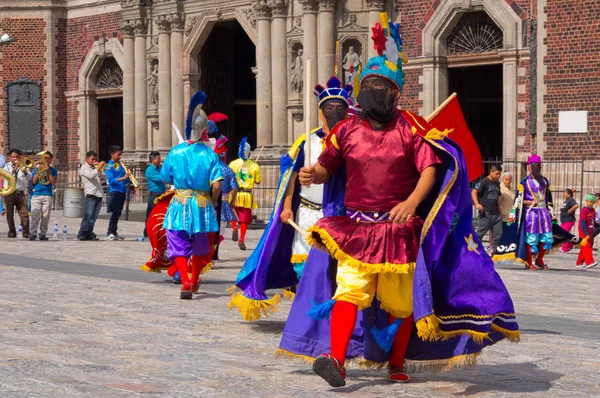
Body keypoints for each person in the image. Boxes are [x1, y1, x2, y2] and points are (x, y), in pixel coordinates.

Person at [282, 13, 519, 387]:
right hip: (356, 227)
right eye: (369, 83)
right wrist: (315, 175)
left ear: (394, 92)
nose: (373, 89)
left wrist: (411, 202)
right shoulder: (345, 129)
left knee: (400, 303)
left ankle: (396, 361)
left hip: (398, 229)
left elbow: (429, 170)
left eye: (380, 85)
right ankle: (337, 361)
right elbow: (329, 166)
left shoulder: (412, 129)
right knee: (350, 290)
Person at [228, 76, 352, 321]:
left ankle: (331, 317)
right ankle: (306, 318)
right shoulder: (306, 142)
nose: (334, 113)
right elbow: (290, 178)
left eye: (340, 109)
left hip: (340, 216)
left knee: (335, 271)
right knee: (304, 268)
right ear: (320, 114)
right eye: (329, 109)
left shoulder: (354, 141)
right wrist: (286, 207)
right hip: (307, 213)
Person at [160, 90, 223, 299]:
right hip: (203, 204)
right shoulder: (210, 154)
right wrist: (213, 201)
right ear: (205, 130)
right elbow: (217, 184)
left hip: (180, 202)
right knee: (199, 243)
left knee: (177, 239)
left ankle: (185, 281)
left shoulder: (176, 151)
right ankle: (194, 279)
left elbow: (165, 176)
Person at [507, 154, 554, 270]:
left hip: (544, 213)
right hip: (531, 213)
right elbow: (518, 201)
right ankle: (529, 261)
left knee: (547, 237)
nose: (535, 168)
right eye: (533, 166)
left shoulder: (545, 181)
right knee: (532, 238)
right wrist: (531, 202)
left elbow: (549, 198)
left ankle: (539, 260)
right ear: (529, 168)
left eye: (537, 166)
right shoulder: (523, 183)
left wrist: (551, 212)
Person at [229, 138, 261, 250]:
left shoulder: (233, 164)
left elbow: (228, 178)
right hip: (246, 195)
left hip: (235, 193)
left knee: (232, 213)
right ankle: (241, 238)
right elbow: (258, 181)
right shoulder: (254, 166)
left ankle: (234, 227)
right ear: (249, 153)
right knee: (244, 219)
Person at [211, 135, 238, 261]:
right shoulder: (228, 170)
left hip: (210, 201)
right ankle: (214, 254)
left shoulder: (210, 168)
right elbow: (235, 188)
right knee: (220, 232)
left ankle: (209, 253)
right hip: (224, 203)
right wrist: (232, 202)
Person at [472, 164, 503, 252]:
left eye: (499, 174)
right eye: (496, 174)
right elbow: (474, 192)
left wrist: (500, 210)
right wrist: (477, 204)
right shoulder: (484, 181)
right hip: (486, 212)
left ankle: (493, 251)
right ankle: (473, 249)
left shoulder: (497, 184)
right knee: (481, 232)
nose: (498, 176)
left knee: (498, 234)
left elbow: (498, 198)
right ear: (491, 172)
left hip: (496, 213)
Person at [29, 151, 58, 241]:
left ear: (51, 160)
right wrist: (39, 171)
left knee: (46, 216)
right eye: (44, 158)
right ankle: (33, 233)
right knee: (35, 215)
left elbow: (53, 182)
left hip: (47, 194)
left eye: (48, 158)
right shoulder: (37, 169)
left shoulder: (53, 170)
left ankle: (42, 234)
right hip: (36, 194)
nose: (46, 160)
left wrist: (48, 172)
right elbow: (33, 181)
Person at [3, 149, 31, 238]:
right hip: (9, 193)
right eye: (13, 157)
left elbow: (30, 177)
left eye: (17, 157)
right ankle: (12, 231)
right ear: (10, 158)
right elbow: (6, 176)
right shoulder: (6, 167)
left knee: (24, 213)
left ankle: (26, 232)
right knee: (9, 213)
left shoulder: (23, 166)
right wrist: (14, 169)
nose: (15, 159)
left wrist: (25, 171)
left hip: (20, 193)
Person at [104, 145, 130, 240]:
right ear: (112, 154)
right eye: (118, 154)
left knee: (118, 213)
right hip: (115, 191)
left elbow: (124, 177)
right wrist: (123, 178)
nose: (120, 157)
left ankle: (114, 231)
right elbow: (111, 180)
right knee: (115, 213)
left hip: (122, 190)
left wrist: (128, 179)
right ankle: (110, 231)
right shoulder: (108, 166)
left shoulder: (120, 165)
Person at [77, 151, 105, 241]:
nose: (94, 161)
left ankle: (89, 232)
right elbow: (91, 176)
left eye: (95, 159)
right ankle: (82, 233)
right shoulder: (84, 168)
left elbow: (104, 179)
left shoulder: (95, 168)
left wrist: (101, 170)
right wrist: (98, 167)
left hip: (99, 193)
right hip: (90, 193)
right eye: (92, 159)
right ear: (87, 159)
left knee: (94, 216)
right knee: (88, 215)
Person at [142, 151, 166, 240]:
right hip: (154, 196)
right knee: (150, 215)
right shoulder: (150, 170)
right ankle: (146, 233)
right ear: (153, 160)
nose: (160, 160)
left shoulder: (160, 167)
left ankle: (158, 233)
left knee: (160, 216)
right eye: (158, 159)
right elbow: (160, 179)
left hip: (161, 195)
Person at [576, 194, 598, 268]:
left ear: (594, 203)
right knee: (587, 246)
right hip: (584, 231)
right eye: (587, 201)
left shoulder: (593, 211)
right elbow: (583, 223)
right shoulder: (584, 210)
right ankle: (589, 262)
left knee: (584, 247)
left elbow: (593, 221)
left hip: (590, 231)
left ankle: (579, 262)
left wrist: (597, 225)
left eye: (591, 201)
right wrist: (586, 233)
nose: (589, 203)